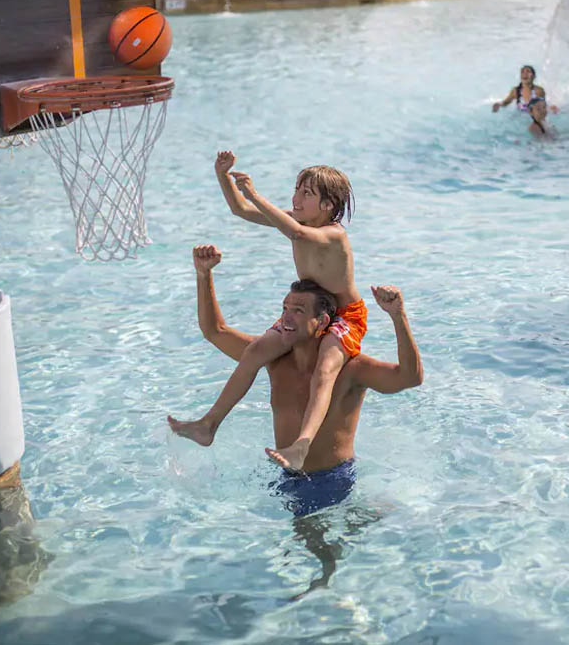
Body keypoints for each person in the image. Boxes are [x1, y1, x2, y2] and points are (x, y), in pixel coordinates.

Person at [169, 245, 423, 517]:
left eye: (299, 310)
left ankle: (369, 514)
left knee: (316, 547)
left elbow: (410, 378)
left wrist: (398, 317)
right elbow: (214, 331)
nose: (286, 317)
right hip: (286, 472)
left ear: (322, 321)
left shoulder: (351, 370)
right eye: (285, 308)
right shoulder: (274, 360)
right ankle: (364, 515)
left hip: (330, 478)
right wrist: (203, 274)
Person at [168, 153, 365, 472]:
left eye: (306, 194)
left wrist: (256, 194)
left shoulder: (333, 233)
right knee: (257, 350)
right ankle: (208, 426)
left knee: (326, 367)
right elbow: (240, 210)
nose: (296, 198)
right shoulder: (298, 221)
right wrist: (223, 176)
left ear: (328, 206)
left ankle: (301, 445)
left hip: (343, 316)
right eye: (296, 190)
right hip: (307, 311)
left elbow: (297, 234)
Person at [492, 65, 559, 114]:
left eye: (528, 71)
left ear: (534, 76)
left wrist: (551, 108)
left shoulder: (539, 91)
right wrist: (498, 105)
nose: (525, 74)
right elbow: (506, 102)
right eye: (522, 72)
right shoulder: (516, 91)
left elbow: (544, 107)